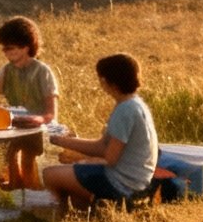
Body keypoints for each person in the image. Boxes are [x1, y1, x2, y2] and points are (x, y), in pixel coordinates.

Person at [43, 53, 158, 210]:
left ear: (107, 82)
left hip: (123, 183)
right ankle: (84, 212)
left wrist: (84, 162)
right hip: (135, 178)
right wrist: (63, 141)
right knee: (73, 178)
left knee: (49, 174)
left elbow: (109, 158)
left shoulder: (125, 110)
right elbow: (102, 145)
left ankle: (62, 212)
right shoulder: (134, 104)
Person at [0, 16, 59, 189]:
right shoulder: (7, 70)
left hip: (39, 128)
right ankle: (14, 187)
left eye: (10, 48)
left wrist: (39, 119)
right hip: (16, 126)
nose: (6, 53)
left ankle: (29, 192)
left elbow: (51, 113)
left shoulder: (41, 71)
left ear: (26, 46)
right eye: (4, 49)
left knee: (28, 158)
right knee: (6, 152)